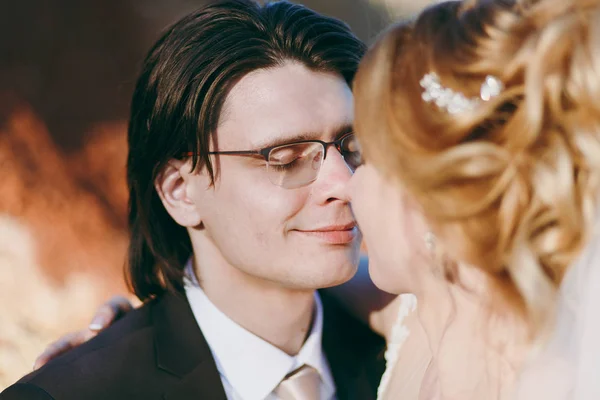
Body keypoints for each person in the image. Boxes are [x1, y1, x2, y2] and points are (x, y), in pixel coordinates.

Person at [0, 1, 387, 399]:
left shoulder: (408, 349)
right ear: (179, 191)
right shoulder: (78, 392)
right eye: (287, 160)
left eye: (352, 147)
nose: (345, 183)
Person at [349, 0, 600, 398]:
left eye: (360, 157)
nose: (346, 187)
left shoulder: (546, 379)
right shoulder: (410, 316)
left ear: (425, 198)